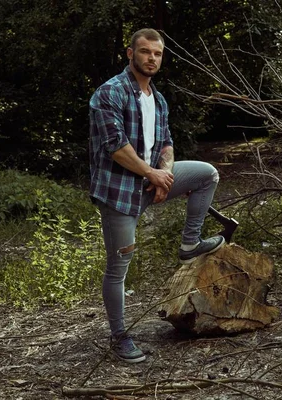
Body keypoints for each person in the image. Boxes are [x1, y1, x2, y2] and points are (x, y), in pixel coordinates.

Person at [88, 28, 225, 363]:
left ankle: (190, 243)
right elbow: (115, 148)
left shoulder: (159, 99)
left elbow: (166, 143)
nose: (151, 58)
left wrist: (164, 175)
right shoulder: (110, 93)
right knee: (118, 267)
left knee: (207, 174)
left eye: (157, 53)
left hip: (149, 181)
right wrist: (152, 173)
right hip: (119, 192)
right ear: (129, 53)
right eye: (145, 51)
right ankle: (119, 336)